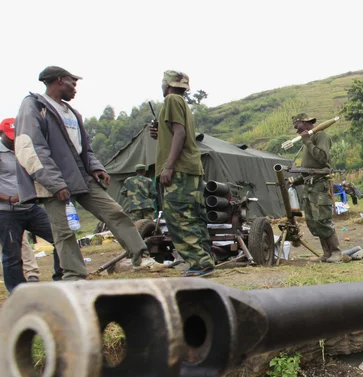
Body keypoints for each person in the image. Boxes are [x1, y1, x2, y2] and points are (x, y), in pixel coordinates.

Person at [15, 67, 158, 281]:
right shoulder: (34, 106)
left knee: (114, 211)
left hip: (81, 176)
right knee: (64, 231)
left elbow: (84, 148)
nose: (75, 89)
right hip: (53, 181)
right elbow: (31, 149)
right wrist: (55, 184)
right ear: (60, 81)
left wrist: (96, 167)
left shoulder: (72, 113)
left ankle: (141, 258)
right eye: (73, 83)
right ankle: (74, 275)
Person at [150, 70, 215, 276]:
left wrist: (168, 166)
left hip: (179, 169)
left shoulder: (171, 100)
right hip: (191, 168)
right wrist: (160, 133)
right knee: (194, 216)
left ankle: (200, 262)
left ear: (166, 84)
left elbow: (180, 133)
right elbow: (177, 133)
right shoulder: (181, 102)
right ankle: (205, 259)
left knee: (178, 217)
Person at [0, 117, 62, 291]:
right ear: (1, 134)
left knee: (60, 237)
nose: (14, 140)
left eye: (16, 135)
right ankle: (18, 292)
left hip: (30, 207)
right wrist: (8, 198)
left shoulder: (25, 148)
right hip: (7, 212)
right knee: (12, 255)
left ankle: (61, 279)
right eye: (10, 137)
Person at [290, 113, 342, 263]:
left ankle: (336, 252)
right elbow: (309, 169)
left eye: (297, 126)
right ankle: (327, 253)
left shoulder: (320, 136)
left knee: (322, 219)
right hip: (309, 187)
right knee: (313, 222)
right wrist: (296, 181)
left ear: (305, 123)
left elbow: (322, 158)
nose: (296, 130)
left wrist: (308, 142)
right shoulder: (308, 141)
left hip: (319, 186)